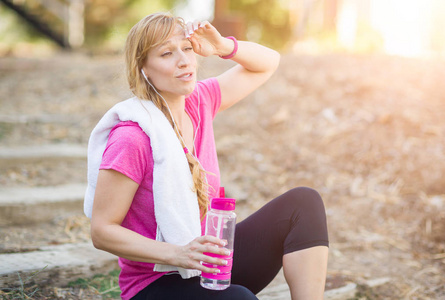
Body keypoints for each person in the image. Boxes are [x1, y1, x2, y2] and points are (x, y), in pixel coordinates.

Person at [86, 12, 329, 300]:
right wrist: (179, 253)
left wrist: (224, 47)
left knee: (302, 203)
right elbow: (102, 231)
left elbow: (268, 63)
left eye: (186, 48)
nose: (184, 60)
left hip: (206, 263)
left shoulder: (199, 102)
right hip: (156, 283)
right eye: (166, 53)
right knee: (240, 299)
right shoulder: (132, 138)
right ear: (144, 70)